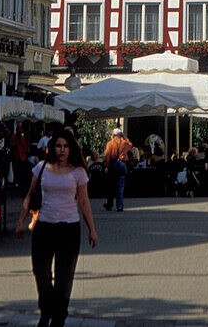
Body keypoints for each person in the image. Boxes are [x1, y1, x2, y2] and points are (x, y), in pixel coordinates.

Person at [17, 130, 98, 327]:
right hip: (44, 226)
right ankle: (46, 311)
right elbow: (29, 196)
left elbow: (84, 202)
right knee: (41, 272)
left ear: (71, 148)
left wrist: (92, 229)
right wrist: (21, 221)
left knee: (64, 277)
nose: (62, 150)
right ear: (52, 147)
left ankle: (58, 318)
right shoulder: (41, 167)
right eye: (58, 146)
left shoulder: (79, 171)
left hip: (69, 229)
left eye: (66, 146)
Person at [103, 127, 132, 212]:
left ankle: (109, 204)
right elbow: (130, 144)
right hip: (122, 163)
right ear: (120, 135)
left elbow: (107, 155)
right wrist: (124, 136)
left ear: (113, 135)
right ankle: (120, 206)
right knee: (120, 186)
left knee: (111, 185)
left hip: (113, 163)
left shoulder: (110, 143)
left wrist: (106, 166)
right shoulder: (124, 142)